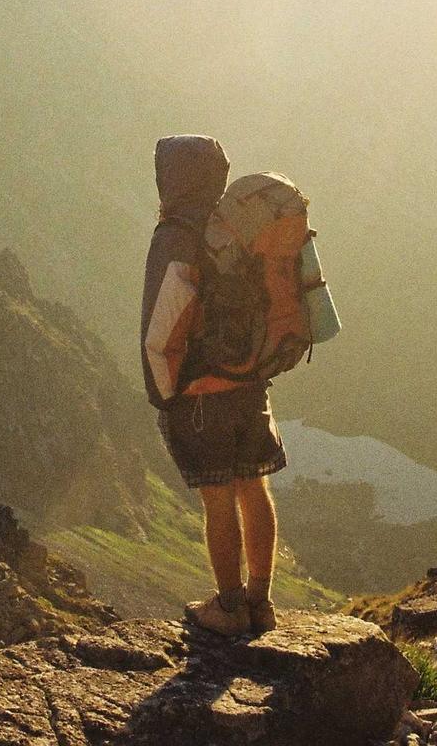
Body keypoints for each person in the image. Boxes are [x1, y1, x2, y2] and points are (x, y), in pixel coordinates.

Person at [140, 134, 287, 636]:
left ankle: (227, 608)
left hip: (201, 394)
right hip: (250, 383)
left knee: (218, 498)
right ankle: (260, 602)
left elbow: (162, 324)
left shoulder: (175, 235)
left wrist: (164, 394)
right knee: (254, 485)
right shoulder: (238, 228)